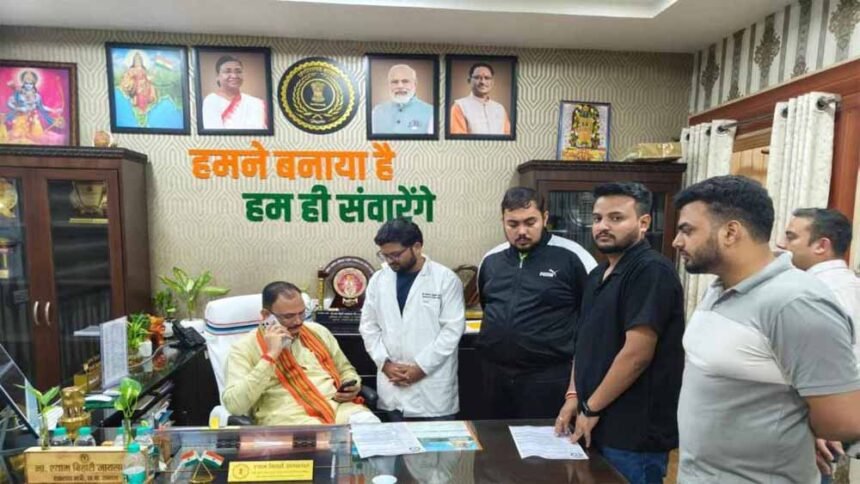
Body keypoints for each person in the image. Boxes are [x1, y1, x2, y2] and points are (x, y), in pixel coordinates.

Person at [672, 175, 860, 483]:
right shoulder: (719, 287)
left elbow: (842, 420)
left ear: (730, 232)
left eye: (687, 230)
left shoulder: (795, 303)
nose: (677, 241)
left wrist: (801, 427)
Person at [554, 182, 684, 484]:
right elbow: (584, 344)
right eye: (597, 218)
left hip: (633, 433)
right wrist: (574, 396)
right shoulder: (597, 275)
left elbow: (637, 354)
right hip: (594, 420)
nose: (603, 226)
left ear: (643, 222)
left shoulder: (651, 271)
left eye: (616, 218)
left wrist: (591, 407)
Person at [478, 186, 596, 419]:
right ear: (503, 221)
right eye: (513, 224)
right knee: (495, 440)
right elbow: (486, 304)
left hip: (549, 378)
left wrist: (575, 391)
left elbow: (592, 323)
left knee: (544, 442)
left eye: (530, 222)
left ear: (545, 218)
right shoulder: (491, 260)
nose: (521, 231)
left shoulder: (573, 256)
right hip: (495, 377)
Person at [777, 207, 860, 480]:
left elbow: (847, 364)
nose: (781, 244)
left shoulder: (817, 294)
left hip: (818, 431)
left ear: (822, 245)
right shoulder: (849, 286)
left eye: (791, 237)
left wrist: (822, 426)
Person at [222, 281, 378, 425]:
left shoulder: (318, 332)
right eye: (288, 316)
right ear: (266, 315)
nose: (298, 321)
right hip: (289, 419)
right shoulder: (243, 348)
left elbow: (345, 369)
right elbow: (235, 405)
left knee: (371, 427)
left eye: (302, 313)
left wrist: (352, 385)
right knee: (319, 441)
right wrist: (270, 356)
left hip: (338, 409)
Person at [360, 218, 465, 421]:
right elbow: (368, 326)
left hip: (431, 391)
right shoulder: (378, 280)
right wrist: (384, 363)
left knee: (439, 442)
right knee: (396, 440)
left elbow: (452, 331)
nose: (390, 260)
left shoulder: (445, 279)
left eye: (396, 254)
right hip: (392, 386)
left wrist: (421, 368)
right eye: (385, 255)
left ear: (417, 247)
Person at [201, 55, 267, 130]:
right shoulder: (211, 101)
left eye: (238, 71)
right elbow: (214, 134)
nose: (234, 76)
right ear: (217, 76)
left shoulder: (255, 103)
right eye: (227, 71)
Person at [449, 63, 511, 135]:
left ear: (492, 82)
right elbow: (458, 139)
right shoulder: (459, 106)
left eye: (487, 78)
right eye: (477, 77)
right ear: (469, 80)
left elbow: (508, 136)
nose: (482, 82)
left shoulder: (500, 109)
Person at [371, 64, 433, 135]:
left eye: (405, 81)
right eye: (395, 82)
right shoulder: (376, 112)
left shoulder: (431, 112)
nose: (400, 86)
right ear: (389, 85)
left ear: (415, 84)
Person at [5, 70, 62, 143]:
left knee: (37, 138)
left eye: (30, 83)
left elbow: (42, 107)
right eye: (26, 83)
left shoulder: (37, 96)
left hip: (34, 120)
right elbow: (9, 103)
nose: (28, 85)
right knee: (19, 138)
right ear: (23, 83)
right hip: (20, 119)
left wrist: (54, 110)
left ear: (33, 84)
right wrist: (18, 108)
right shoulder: (18, 93)